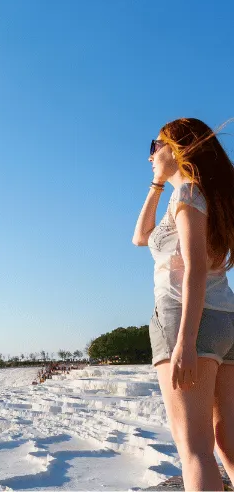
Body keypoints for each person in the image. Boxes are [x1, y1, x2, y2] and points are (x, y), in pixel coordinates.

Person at [133, 118, 234, 490]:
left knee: (194, 449)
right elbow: (140, 237)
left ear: (177, 148)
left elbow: (193, 270)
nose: (149, 156)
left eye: (154, 146)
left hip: (187, 317)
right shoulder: (199, 195)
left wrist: (185, 343)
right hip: (225, 320)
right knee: (227, 445)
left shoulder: (190, 194)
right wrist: (158, 183)